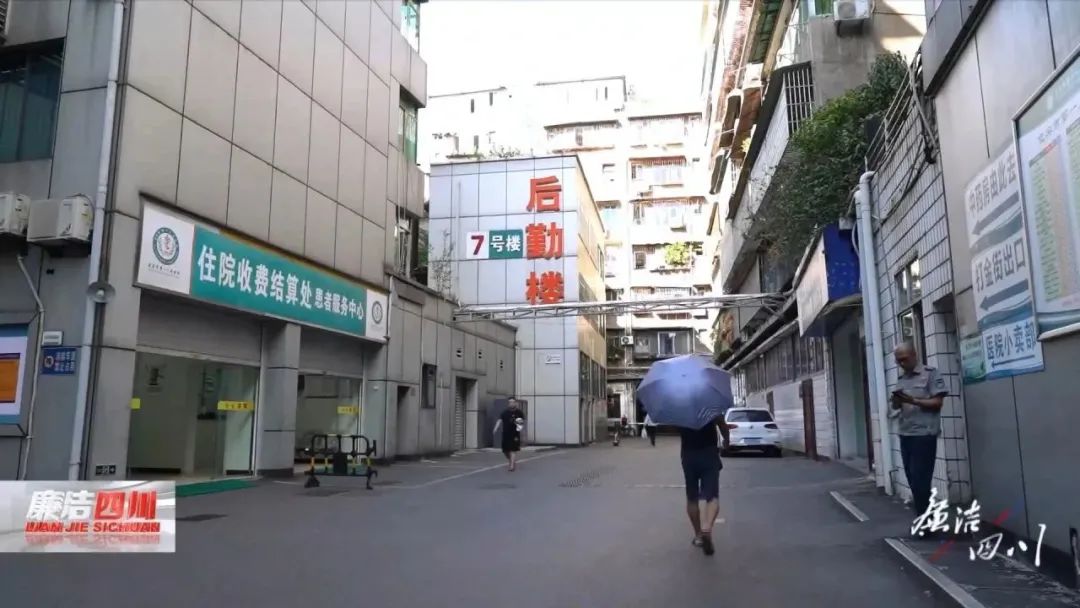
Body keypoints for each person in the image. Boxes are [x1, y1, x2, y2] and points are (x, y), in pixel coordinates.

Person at [891, 341, 947, 527]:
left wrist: (913, 400)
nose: (901, 363)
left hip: (924, 434)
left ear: (914, 355)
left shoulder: (930, 374)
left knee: (920, 480)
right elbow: (897, 406)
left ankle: (926, 523)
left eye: (904, 359)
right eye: (898, 361)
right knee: (912, 480)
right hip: (905, 433)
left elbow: (937, 402)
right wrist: (897, 401)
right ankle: (926, 519)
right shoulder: (902, 379)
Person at [680, 416, 730, 556]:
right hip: (709, 453)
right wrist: (727, 440)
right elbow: (723, 425)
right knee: (712, 496)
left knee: (692, 498)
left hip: (689, 455)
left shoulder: (680, 409)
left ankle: (698, 536)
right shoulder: (711, 407)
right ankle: (707, 527)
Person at [493, 398, 526, 472]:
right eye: (510, 402)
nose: (511, 403)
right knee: (505, 451)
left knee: (513, 450)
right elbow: (499, 420)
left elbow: (520, 425)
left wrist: (522, 434)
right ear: (508, 404)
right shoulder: (505, 412)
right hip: (506, 434)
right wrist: (495, 428)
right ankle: (511, 460)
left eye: (513, 402)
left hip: (515, 434)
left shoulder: (519, 413)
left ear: (515, 403)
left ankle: (511, 466)